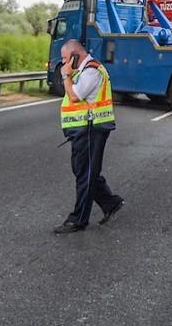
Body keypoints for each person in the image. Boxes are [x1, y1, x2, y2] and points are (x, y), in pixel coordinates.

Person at [54, 39, 123, 234]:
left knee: (85, 174)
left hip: (92, 129)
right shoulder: (84, 71)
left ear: (76, 55)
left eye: (65, 58)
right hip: (84, 130)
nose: (64, 63)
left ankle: (78, 220)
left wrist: (66, 76)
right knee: (84, 171)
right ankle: (110, 203)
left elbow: (75, 95)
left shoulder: (92, 71)